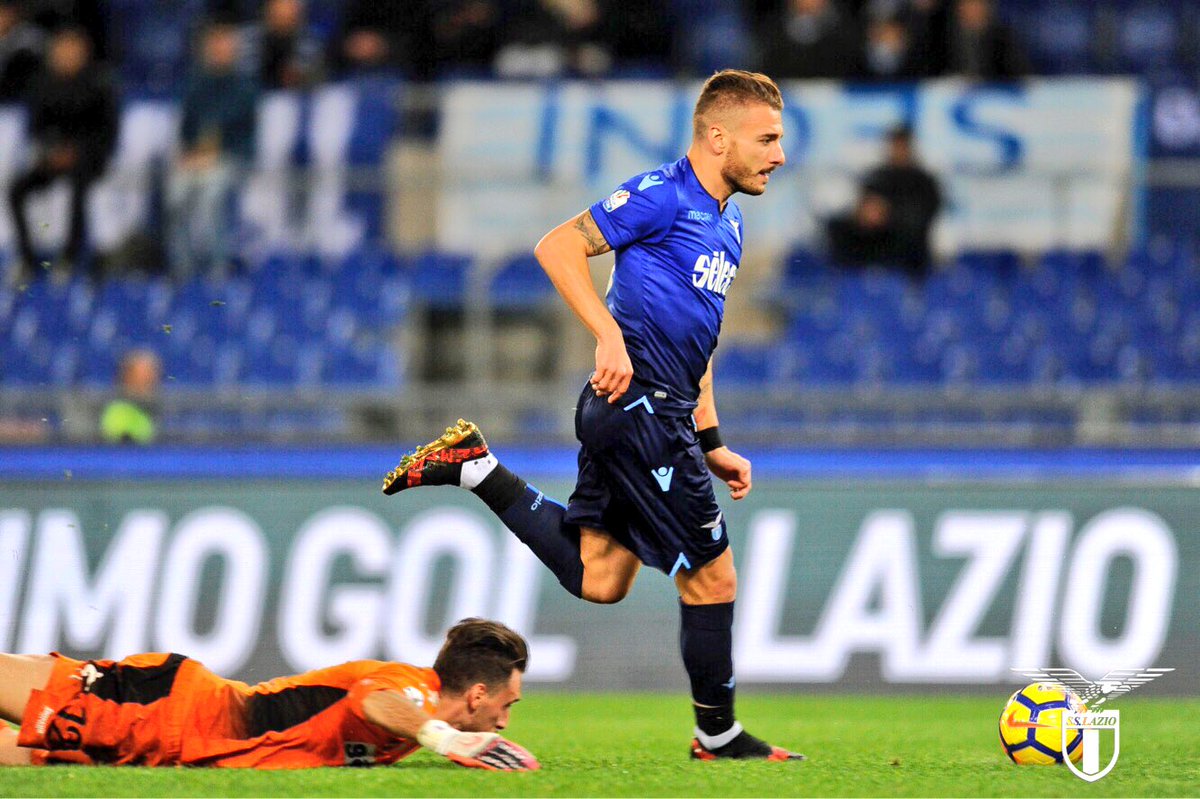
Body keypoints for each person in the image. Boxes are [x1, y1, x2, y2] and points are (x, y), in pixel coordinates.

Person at [383, 70, 802, 762]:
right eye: (767, 139)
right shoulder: (662, 195)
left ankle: (476, 468)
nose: (779, 155)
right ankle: (718, 735)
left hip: (653, 412)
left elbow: (698, 344)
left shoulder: (729, 223)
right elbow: (557, 245)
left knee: (601, 577)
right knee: (713, 576)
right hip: (639, 409)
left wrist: (712, 440)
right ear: (716, 137)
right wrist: (607, 335)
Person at [0, 618, 539, 771]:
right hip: (170, 710)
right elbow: (370, 702)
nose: (504, 723)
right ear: (476, 695)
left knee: (26, 755)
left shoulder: (412, 724)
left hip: (177, 748)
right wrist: (446, 739)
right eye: (506, 705)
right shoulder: (412, 690)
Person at [7, 26, 117, 280]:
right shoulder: (43, 84)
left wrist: (78, 152)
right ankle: (26, 258)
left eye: (73, 48)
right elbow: (35, 128)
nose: (67, 54)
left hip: (88, 159)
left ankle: (69, 257)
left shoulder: (99, 83)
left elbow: (108, 133)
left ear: (84, 51)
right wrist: (51, 150)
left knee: (78, 185)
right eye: (62, 48)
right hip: (52, 156)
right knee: (17, 188)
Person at [166, 21, 258, 279]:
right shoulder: (195, 84)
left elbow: (246, 138)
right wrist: (190, 154)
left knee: (211, 196)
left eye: (225, 45)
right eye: (215, 45)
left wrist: (215, 154)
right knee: (175, 194)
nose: (219, 51)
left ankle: (217, 269)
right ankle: (182, 268)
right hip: (196, 159)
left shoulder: (245, 87)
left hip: (232, 158)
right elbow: (186, 131)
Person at [827, 124, 941, 274]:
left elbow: (924, 217)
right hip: (873, 241)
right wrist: (867, 214)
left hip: (906, 247)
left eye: (902, 146)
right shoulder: (877, 176)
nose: (897, 150)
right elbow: (863, 207)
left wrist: (888, 214)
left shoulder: (923, 181)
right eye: (895, 145)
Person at [100, 349, 161, 445]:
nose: (147, 385)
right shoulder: (116, 410)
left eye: (150, 378)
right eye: (141, 379)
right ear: (127, 378)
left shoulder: (162, 408)